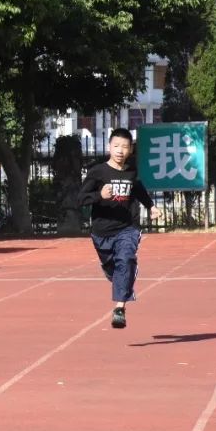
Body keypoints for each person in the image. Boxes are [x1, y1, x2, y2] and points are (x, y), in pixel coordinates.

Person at [78, 127, 160, 329]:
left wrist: (151, 206)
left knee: (126, 258)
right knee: (113, 269)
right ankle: (116, 275)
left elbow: (139, 190)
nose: (120, 150)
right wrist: (99, 196)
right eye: (116, 146)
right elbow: (80, 199)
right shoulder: (97, 172)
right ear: (109, 147)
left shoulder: (132, 172)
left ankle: (120, 309)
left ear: (130, 150)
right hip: (101, 232)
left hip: (127, 227)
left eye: (125, 147)